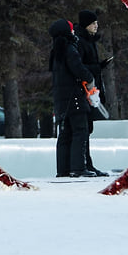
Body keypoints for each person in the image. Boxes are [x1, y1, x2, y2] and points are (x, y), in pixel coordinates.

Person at [48, 18, 97, 178]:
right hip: (74, 96)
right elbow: (78, 68)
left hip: (61, 98)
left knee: (65, 133)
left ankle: (63, 169)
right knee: (80, 131)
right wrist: (89, 79)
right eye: (71, 29)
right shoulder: (70, 49)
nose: (74, 31)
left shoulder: (56, 51)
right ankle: (78, 167)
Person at [74, 10, 111, 176]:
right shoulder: (81, 42)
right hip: (85, 90)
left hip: (92, 89)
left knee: (88, 129)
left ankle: (88, 163)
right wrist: (99, 67)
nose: (96, 26)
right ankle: (84, 164)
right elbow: (80, 68)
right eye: (93, 23)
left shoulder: (90, 42)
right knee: (84, 129)